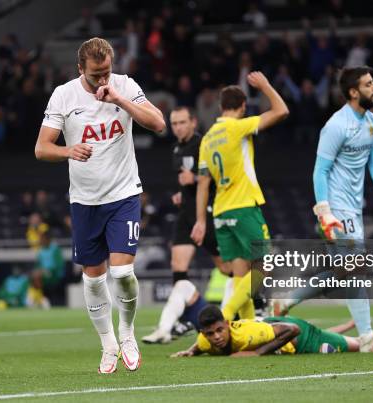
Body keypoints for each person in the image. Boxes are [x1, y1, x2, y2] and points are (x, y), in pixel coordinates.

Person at [34, 37, 165, 373]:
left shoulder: (124, 86)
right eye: (95, 75)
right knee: (93, 280)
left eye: (106, 72)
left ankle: (127, 333)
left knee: (122, 273)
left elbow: (158, 124)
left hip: (123, 194)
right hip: (85, 200)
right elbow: (41, 148)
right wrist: (68, 150)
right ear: (81, 69)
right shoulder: (64, 95)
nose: (102, 80)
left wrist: (119, 97)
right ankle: (108, 345)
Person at [270, 66, 373, 353]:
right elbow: (320, 172)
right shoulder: (335, 126)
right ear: (354, 92)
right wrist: (325, 212)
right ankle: (367, 339)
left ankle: (288, 298)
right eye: (369, 84)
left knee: (346, 271)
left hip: (354, 210)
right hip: (336, 209)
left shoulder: (371, 122)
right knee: (355, 270)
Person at [191, 72, 288, 322]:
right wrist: (266, 85)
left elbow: (202, 183)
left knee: (239, 275)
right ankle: (225, 314)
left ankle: (245, 327)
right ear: (243, 107)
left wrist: (201, 220)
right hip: (243, 206)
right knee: (266, 265)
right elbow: (281, 111)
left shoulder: (208, 138)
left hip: (221, 211)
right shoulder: (238, 127)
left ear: (222, 107)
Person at [142, 106, 229, 344]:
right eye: (174, 123)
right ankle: (186, 318)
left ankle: (256, 301)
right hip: (186, 214)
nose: (177, 127)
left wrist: (196, 180)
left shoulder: (205, 144)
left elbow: (218, 176)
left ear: (193, 122)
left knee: (226, 269)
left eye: (182, 122)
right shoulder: (178, 148)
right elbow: (187, 181)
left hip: (207, 212)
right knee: (177, 265)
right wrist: (183, 193)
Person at [171, 305, 373, 357]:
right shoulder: (205, 341)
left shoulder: (247, 336)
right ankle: (342, 327)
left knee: (361, 345)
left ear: (227, 325)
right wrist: (190, 350)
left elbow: (292, 329)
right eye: (211, 334)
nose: (216, 337)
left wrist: (257, 353)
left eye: (219, 330)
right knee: (347, 336)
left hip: (303, 337)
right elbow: (200, 344)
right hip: (276, 327)